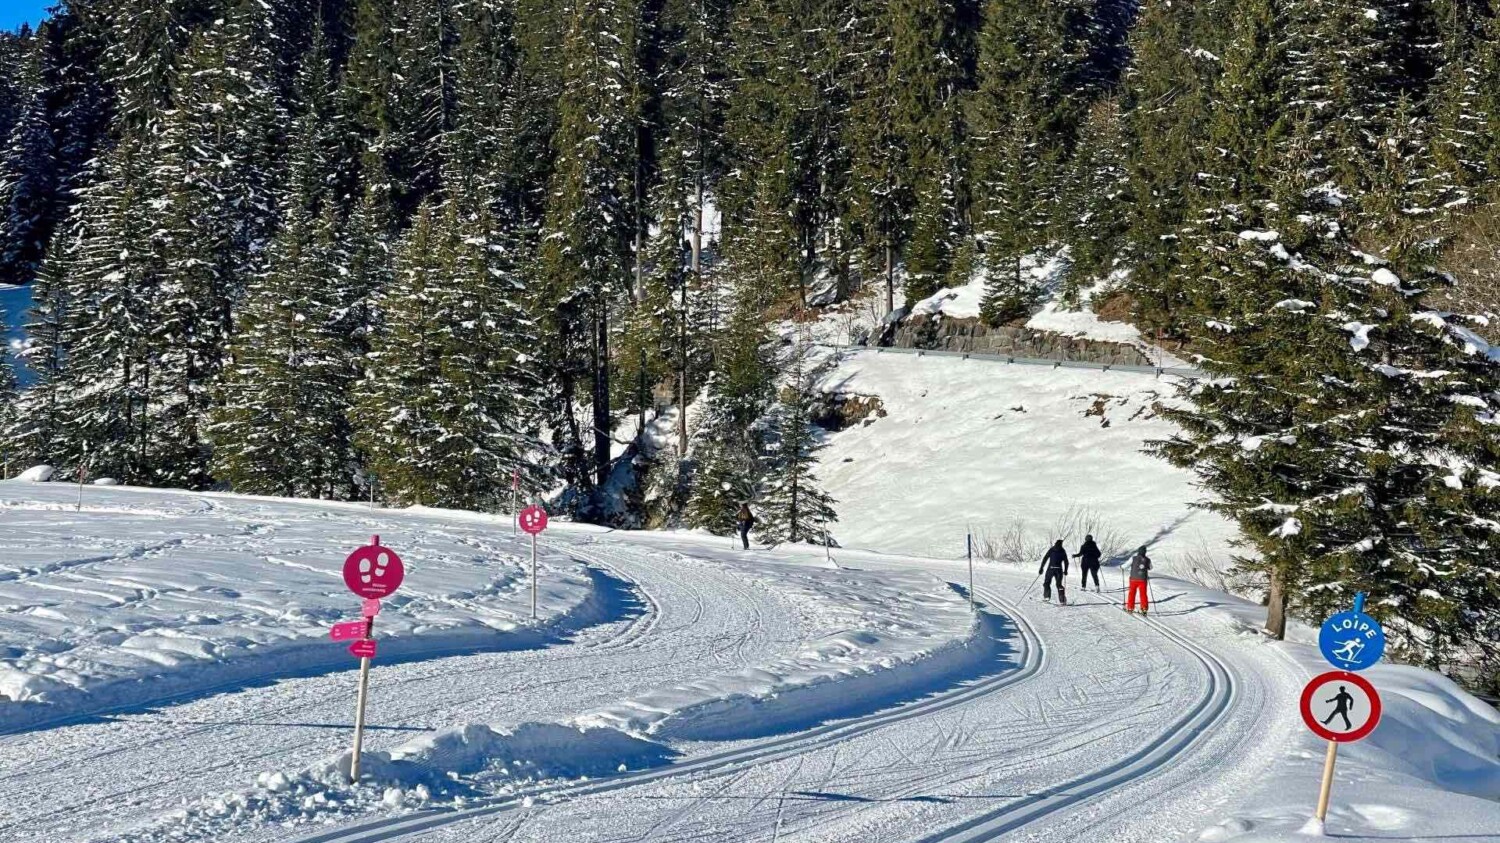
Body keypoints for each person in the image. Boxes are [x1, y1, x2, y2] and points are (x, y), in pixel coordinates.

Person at [1125, 546, 1152, 615]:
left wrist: (1121, 567)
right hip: (1143, 580)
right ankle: (1144, 608)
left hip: (1133, 579)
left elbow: (1125, 566)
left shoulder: (1133, 558)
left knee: (1132, 593)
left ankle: (1130, 608)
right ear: (1145, 552)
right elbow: (1151, 567)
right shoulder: (1148, 559)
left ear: (1138, 551)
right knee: (1143, 594)